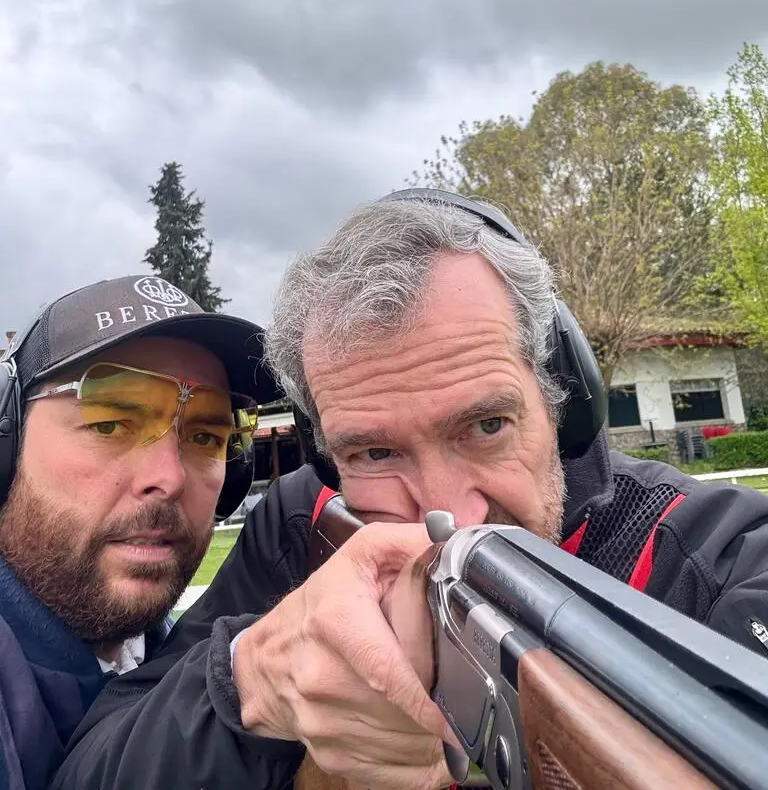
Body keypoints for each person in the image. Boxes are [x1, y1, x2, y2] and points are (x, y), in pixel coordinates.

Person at [53, 191, 768, 790]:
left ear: (562, 399)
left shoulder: (724, 557)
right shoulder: (302, 523)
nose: (450, 512)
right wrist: (257, 684)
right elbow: (93, 762)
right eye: (375, 451)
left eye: (487, 425)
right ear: (326, 456)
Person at [0, 274, 280, 790]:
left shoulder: (165, 648)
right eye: (110, 424)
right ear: (8, 441)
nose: (170, 478)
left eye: (204, 435)